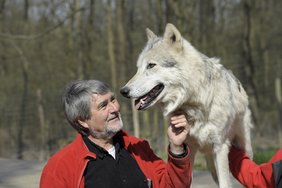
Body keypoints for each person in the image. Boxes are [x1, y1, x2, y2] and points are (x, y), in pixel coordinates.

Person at [40, 79, 192, 188]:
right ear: (83, 121)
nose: (114, 108)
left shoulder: (138, 148)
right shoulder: (60, 168)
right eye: (103, 106)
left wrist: (176, 148)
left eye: (113, 100)